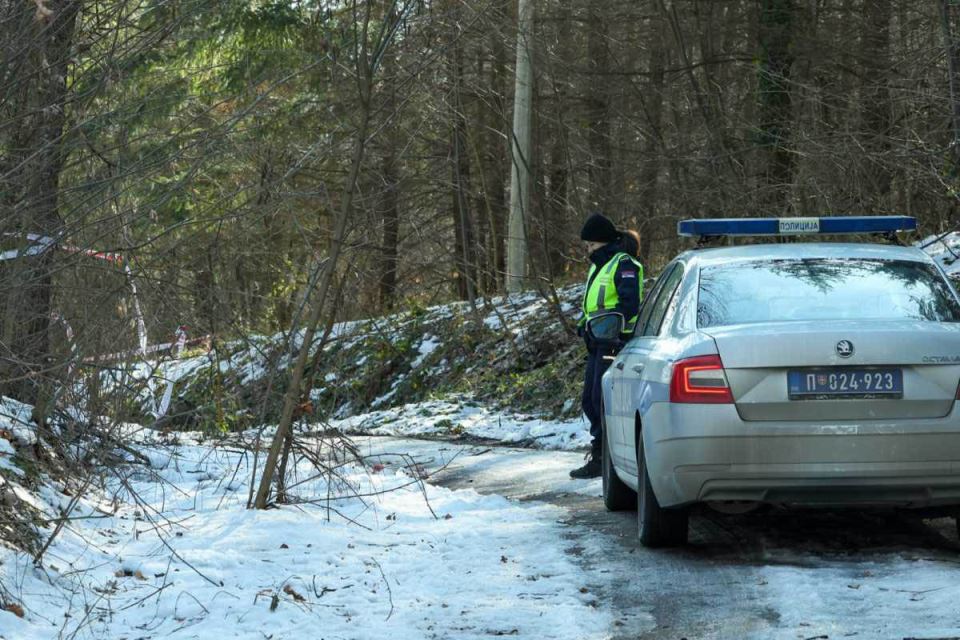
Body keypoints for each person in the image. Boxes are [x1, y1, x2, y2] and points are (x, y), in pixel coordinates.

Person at [570, 214, 644, 479]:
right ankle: (601, 453)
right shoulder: (599, 266)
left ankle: (605, 457)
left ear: (602, 242)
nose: (588, 250)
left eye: (590, 245)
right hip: (597, 341)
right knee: (590, 401)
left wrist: (608, 327)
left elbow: (629, 303)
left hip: (614, 341)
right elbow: (594, 305)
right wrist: (585, 325)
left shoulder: (624, 264)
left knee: (600, 399)